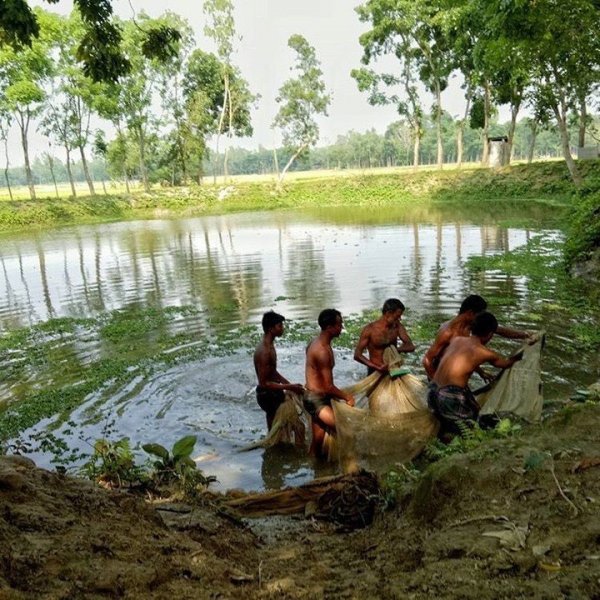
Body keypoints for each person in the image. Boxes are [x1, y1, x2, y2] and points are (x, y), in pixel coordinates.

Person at [428, 311, 523, 437]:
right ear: (490, 334)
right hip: (450, 396)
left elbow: (462, 361)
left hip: (433, 390)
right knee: (468, 432)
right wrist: (521, 355)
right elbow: (505, 364)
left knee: (448, 425)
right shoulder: (484, 352)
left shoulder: (457, 340)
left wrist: (481, 372)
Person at [422, 294, 533, 381]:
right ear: (470, 313)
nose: (481, 317)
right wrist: (435, 381)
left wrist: (524, 335)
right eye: (480, 314)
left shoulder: (471, 325)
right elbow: (427, 360)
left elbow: (498, 330)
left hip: (455, 374)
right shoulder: (447, 332)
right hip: (439, 373)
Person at [304, 308, 355, 457]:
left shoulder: (316, 343)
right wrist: (347, 397)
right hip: (316, 401)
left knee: (317, 444)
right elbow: (328, 386)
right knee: (346, 431)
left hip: (315, 397)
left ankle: (314, 472)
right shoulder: (322, 351)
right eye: (339, 325)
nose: (341, 328)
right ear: (329, 327)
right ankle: (349, 468)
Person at [253, 311, 304, 431]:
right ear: (271, 329)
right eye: (280, 326)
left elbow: (273, 372)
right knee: (297, 428)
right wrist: (289, 386)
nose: (283, 328)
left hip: (270, 392)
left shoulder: (269, 345)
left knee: (275, 427)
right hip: (268, 395)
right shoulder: (265, 351)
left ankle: (274, 447)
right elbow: (264, 383)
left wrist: (289, 384)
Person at [354, 298, 415, 375]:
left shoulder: (397, 326)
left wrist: (395, 350)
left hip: (394, 371)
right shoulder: (370, 330)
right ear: (388, 313)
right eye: (397, 316)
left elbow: (411, 346)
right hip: (375, 371)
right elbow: (357, 355)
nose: (399, 319)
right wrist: (377, 367)